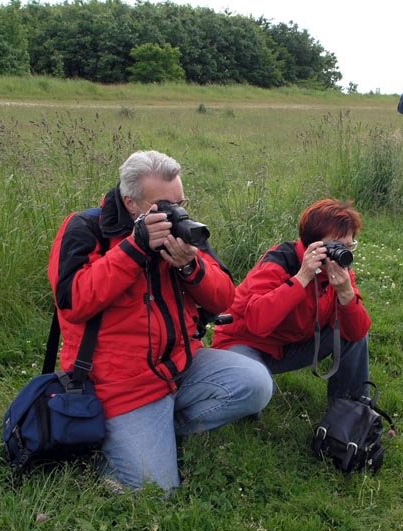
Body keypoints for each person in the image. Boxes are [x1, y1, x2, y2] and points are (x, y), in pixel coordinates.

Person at [47, 150, 272, 492]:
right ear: (131, 203)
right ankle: (109, 446)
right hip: (121, 385)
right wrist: (135, 249)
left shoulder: (181, 230)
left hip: (180, 366)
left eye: (181, 202)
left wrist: (190, 267)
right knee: (156, 492)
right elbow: (74, 302)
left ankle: (156, 432)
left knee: (256, 384)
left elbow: (226, 298)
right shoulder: (86, 228)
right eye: (163, 206)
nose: (176, 213)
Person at [211, 198, 372, 403]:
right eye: (337, 246)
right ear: (312, 244)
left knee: (352, 328)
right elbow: (257, 323)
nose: (343, 254)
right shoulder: (279, 262)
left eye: (349, 246)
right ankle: (251, 384)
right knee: (254, 392)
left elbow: (357, 333)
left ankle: (351, 412)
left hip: (289, 344)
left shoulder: (339, 273)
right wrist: (302, 278)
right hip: (247, 342)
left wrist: (346, 294)